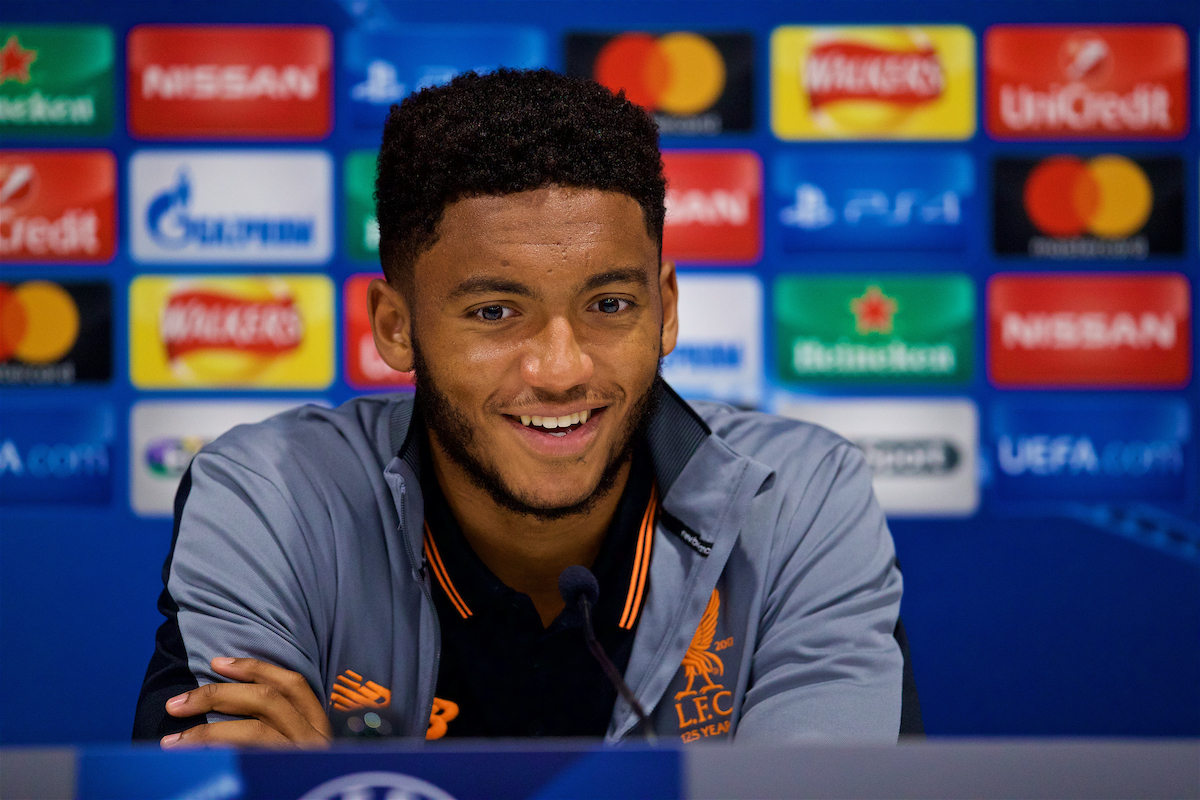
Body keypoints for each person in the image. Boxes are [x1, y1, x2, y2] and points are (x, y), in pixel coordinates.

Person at [133, 68, 919, 747]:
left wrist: (338, 786)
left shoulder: (803, 501)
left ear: (666, 308)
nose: (560, 368)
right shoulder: (269, 496)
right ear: (395, 328)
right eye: (494, 313)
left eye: (609, 304)